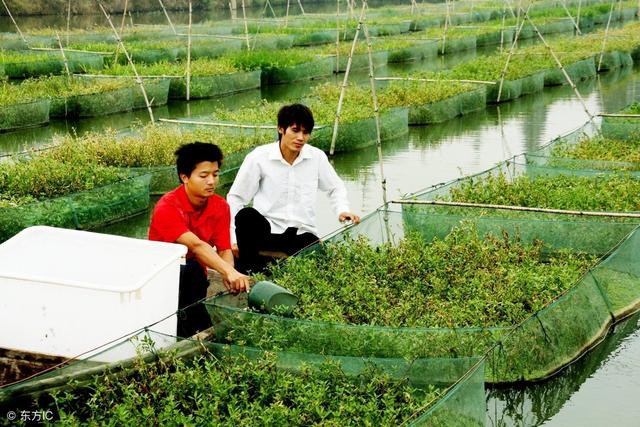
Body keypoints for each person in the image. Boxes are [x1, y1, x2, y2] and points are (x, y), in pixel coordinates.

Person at [227, 103, 360, 274]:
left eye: (306, 132)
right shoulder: (259, 157)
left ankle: (272, 258)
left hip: (301, 233)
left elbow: (335, 187)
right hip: (267, 232)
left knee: (317, 262)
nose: (301, 138)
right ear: (281, 129)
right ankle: (263, 260)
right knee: (246, 217)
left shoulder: (316, 157)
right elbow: (236, 198)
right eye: (295, 130)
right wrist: (232, 239)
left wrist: (342, 210)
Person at [149, 142, 250, 337]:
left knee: (197, 274)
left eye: (215, 174)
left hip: (196, 279)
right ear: (184, 177)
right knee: (193, 270)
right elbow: (195, 246)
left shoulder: (220, 206)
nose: (211, 181)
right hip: (164, 277)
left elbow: (223, 249)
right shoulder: (167, 207)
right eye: (203, 176)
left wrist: (227, 274)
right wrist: (228, 271)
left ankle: (194, 328)